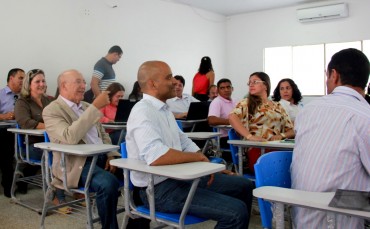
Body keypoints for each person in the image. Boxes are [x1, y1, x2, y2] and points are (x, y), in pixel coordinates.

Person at [126, 60, 253, 229]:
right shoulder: (143, 111)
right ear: (153, 83)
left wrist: (206, 164)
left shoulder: (164, 110)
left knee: (243, 185)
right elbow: (156, 156)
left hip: (180, 178)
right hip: (159, 190)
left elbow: (183, 141)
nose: (174, 82)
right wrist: (198, 157)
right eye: (169, 77)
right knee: (236, 212)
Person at [291, 48, 370, 228]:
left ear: (334, 75)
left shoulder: (308, 110)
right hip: (339, 216)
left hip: (304, 213)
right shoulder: (365, 116)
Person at [43, 69, 121, 229]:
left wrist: (111, 155)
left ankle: (137, 223)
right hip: (76, 164)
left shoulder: (86, 106)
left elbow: (103, 135)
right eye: (78, 82)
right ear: (63, 86)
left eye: (84, 82)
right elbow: (69, 137)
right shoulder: (52, 110)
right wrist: (95, 107)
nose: (83, 85)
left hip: (102, 158)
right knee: (108, 183)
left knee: (138, 173)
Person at [14, 69, 70, 212]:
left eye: (43, 81)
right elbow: (25, 122)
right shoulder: (22, 102)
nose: (42, 84)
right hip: (31, 146)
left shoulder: (49, 100)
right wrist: (51, 126)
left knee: (71, 153)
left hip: (53, 142)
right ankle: (57, 197)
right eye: (37, 81)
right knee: (56, 156)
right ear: (29, 84)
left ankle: (76, 191)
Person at [229, 72, 294, 173]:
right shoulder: (246, 102)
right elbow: (232, 117)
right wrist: (250, 136)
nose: (251, 84)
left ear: (265, 85)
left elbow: (292, 130)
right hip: (260, 149)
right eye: (249, 82)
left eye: (255, 82)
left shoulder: (278, 106)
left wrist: (282, 135)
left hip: (279, 147)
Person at [0, 68, 25, 198]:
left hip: (23, 129)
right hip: (5, 129)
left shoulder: (25, 96)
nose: (23, 81)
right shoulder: (1, 94)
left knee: (36, 148)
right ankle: (8, 186)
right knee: (7, 155)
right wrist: (4, 116)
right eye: (20, 78)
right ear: (11, 78)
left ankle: (23, 183)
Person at [208, 78, 238, 150]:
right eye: (222, 88)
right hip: (225, 137)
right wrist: (232, 121)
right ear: (218, 91)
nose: (226, 90)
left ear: (232, 89)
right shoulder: (216, 102)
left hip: (238, 133)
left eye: (228, 87)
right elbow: (211, 120)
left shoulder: (236, 101)